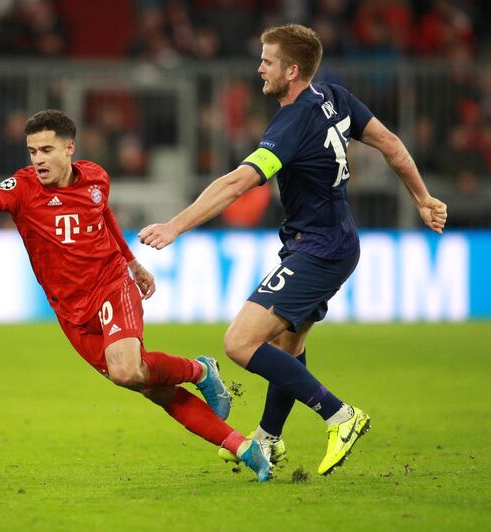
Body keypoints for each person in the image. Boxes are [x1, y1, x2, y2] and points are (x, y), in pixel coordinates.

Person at [139, 24, 447, 476]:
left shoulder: (292, 121)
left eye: (267, 60)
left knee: (240, 343)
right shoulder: (336, 97)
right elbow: (392, 145)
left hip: (318, 248)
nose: (259, 68)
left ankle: (340, 415)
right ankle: (269, 438)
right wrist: (422, 198)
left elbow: (238, 183)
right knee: (287, 345)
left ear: (292, 70)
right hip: (334, 240)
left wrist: (176, 225)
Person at [0, 109, 272, 481]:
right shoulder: (22, 189)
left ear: (69, 148)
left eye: (46, 150)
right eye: (32, 152)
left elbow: (103, 216)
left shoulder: (95, 178)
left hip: (110, 286)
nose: (38, 159)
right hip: (70, 313)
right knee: (148, 385)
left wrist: (131, 263)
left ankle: (199, 370)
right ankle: (242, 446)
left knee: (126, 370)